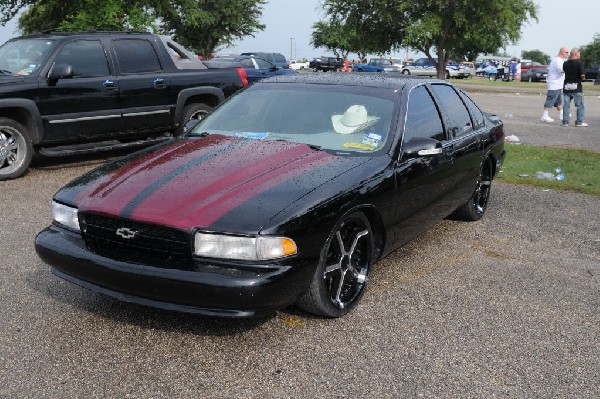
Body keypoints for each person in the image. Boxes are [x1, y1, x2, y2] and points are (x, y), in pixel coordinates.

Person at [540, 47, 569, 123]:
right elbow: (561, 70)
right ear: (562, 52)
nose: (568, 54)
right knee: (550, 99)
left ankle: (562, 114)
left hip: (558, 84)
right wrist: (570, 69)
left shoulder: (560, 60)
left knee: (558, 101)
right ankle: (545, 116)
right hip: (554, 84)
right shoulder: (557, 60)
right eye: (567, 52)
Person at [562, 48, 588, 127]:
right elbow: (582, 75)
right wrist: (583, 78)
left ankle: (565, 122)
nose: (580, 55)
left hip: (566, 86)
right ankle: (579, 122)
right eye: (579, 53)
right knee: (579, 105)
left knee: (566, 105)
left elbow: (565, 72)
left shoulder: (565, 63)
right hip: (576, 87)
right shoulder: (580, 63)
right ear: (576, 54)